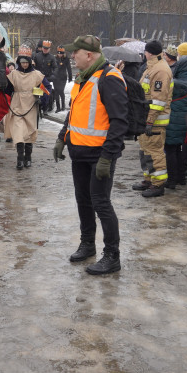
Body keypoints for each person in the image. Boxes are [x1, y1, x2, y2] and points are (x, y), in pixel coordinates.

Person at [54, 35, 128, 275]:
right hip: (79, 152)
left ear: (89, 55)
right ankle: (87, 244)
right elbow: (74, 113)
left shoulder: (110, 78)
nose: (71, 56)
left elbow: (119, 122)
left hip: (100, 155)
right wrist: (62, 137)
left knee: (101, 204)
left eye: (76, 53)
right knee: (83, 201)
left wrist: (108, 157)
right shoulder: (82, 78)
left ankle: (112, 256)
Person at [132, 40, 173, 197]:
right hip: (146, 119)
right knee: (145, 152)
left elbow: (158, 100)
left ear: (149, 52)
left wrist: (150, 120)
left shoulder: (161, 70)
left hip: (154, 121)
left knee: (154, 153)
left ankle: (158, 185)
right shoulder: (152, 67)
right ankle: (149, 180)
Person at [165, 44, 187, 188]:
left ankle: (172, 180)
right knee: (178, 149)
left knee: (171, 150)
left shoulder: (180, 83)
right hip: (181, 120)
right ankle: (181, 178)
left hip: (174, 120)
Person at [5, 55, 45, 169]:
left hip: (31, 105)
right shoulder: (14, 74)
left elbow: (45, 87)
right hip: (17, 105)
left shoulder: (36, 74)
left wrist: (40, 97)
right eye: (22, 63)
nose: (25, 65)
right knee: (18, 133)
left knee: (29, 133)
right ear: (19, 63)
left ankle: (28, 157)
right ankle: (20, 158)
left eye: (26, 62)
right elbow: (8, 89)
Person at [33, 40, 58, 113]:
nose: (45, 49)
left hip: (47, 78)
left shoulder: (52, 57)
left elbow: (55, 67)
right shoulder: (37, 56)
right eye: (44, 48)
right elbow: (33, 66)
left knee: (46, 93)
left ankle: (45, 108)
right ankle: (36, 108)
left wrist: (53, 75)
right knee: (36, 93)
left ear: (49, 49)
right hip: (38, 78)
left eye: (46, 48)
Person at [53, 45, 72, 112]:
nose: (59, 55)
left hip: (63, 77)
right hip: (55, 77)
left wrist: (70, 77)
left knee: (61, 91)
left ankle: (63, 105)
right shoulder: (55, 58)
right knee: (56, 92)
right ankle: (58, 107)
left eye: (61, 53)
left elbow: (69, 68)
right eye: (58, 53)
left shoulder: (66, 59)